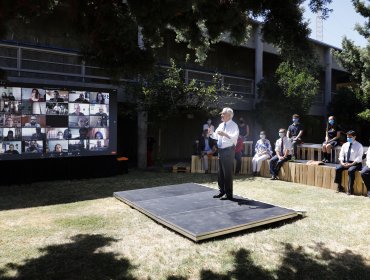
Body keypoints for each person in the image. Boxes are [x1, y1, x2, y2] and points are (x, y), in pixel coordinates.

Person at [209, 107, 239, 200]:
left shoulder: (234, 125)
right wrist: (211, 133)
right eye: (221, 114)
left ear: (229, 115)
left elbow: (235, 138)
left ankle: (229, 194)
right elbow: (216, 136)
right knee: (220, 173)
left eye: (223, 114)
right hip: (221, 150)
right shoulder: (221, 124)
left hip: (228, 151)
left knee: (227, 173)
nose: (221, 115)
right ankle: (221, 191)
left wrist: (225, 134)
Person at [334, 130, 363, 195]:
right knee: (338, 168)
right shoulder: (345, 145)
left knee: (351, 170)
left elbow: (359, 157)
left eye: (350, 137)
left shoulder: (359, 145)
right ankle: (339, 187)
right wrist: (342, 162)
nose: (348, 138)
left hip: (356, 163)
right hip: (346, 162)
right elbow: (341, 154)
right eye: (347, 137)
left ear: (354, 137)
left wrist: (351, 164)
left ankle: (350, 189)